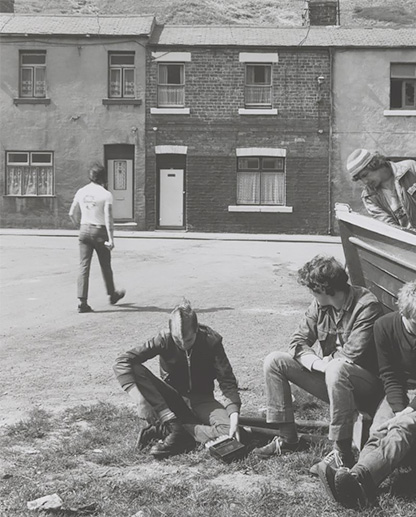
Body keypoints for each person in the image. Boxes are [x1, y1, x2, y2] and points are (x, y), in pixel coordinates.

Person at [318, 279, 416, 510]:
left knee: (402, 427)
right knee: (377, 430)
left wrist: (407, 412)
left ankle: (357, 479)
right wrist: (397, 406)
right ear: (403, 314)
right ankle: (356, 482)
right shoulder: (384, 326)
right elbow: (389, 374)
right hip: (400, 393)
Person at [257, 255, 384, 469]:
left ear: (324, 289)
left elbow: (351, 354)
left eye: (312, 289)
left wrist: (328, 363)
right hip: (331, 377)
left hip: (366, 387)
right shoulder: (319, 305)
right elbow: (297, 341)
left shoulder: (366, 306)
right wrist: (317, 364)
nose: (311, 294)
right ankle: (288, 439)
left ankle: (342, 453)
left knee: (336, 367)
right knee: (274, 361)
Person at [113, 300, 242, 458]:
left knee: (227, 430)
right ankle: (178, 427)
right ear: (170, 330)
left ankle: (171, 430)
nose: (183, 345)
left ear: (196, 329)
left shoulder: (211, 340)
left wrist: (234, 414)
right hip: (173, 401)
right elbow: (122, 361)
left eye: (188, 340)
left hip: (203, 400)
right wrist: (141, 401)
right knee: (135, 368)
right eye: (177, 340)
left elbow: (227, 380)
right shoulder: (163, 339)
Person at [68, 164, 125, 313]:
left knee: (83, 266)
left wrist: (78, 226)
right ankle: (112, 294)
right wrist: (111, 238)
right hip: (100, 231)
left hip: (84, 229)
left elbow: (71, 213)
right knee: (105, 265)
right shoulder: (105, 194)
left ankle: (82, 302)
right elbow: (108, 217)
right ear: (103, 177)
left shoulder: (81, 191)